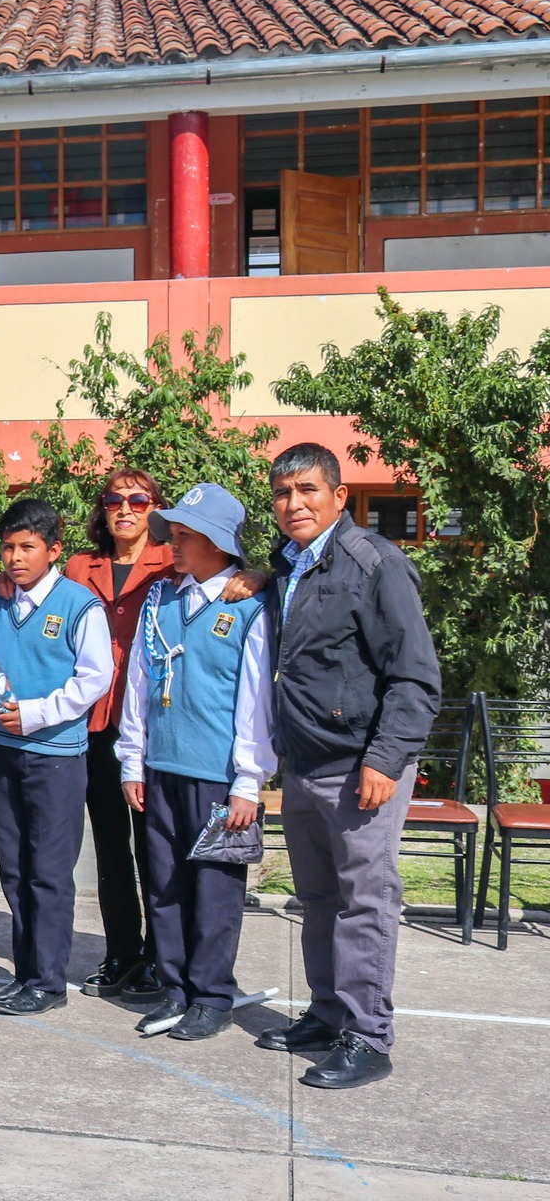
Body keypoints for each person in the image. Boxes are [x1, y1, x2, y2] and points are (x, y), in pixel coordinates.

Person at [257, 444, 439, 1089]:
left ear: (338, 494)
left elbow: (414, 676)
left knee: (365, 900)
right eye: (281, 494)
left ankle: (369, 1037)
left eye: (307, 490)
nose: (293, 504)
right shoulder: (287, 565)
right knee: (319, 898)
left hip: (361, 764)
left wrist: (386, 758)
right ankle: (328, 1012)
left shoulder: (376, 564)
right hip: (305, 762)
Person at [119, 484, 273, 1041]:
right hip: (162, 766)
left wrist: (248, 782)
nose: (172, 545)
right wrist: (132, 761)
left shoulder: (250, 607)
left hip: (217, 775)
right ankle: (176, 989)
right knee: (163, 886)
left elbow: (256, 702)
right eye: (173, 534)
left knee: (214, 891)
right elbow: (139, 682)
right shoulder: (160, 601)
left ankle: (211, 995)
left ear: (217, 541)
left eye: (184, 535)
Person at [0, 499, 114, 1017]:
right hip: (4, 751)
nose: (15, 557)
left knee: (49, 872)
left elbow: (93, 680)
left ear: (53, 550)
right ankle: (26, 972)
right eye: (8, 547)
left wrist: (36, 713)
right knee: (14, 870)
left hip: (54, 755)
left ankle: (49, 981)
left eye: (27, 547)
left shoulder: (79, 605)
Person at [61, 468, 175, 1001]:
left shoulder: (174, 560)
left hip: (152, 723)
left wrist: (261, 577)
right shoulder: (82, 566)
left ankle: (161, 957)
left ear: (154, 506)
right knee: (110, 848)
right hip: (93, 720)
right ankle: (121, 952)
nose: (124, 509)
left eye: (137, 499)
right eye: (114, 500)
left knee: (155, 849)